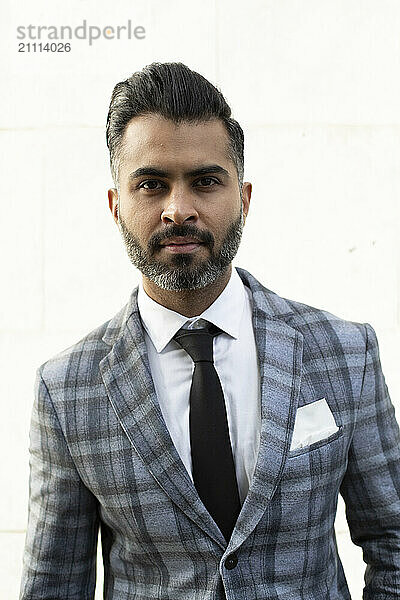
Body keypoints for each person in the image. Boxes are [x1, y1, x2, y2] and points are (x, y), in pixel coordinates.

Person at [20, 62, 400, 600]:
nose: (178, 210)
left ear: (242, 199)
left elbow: (394, 542)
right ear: (116, 205)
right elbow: (54, 586)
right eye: (151, 184)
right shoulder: (66, 390)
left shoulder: (344, 353)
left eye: (205, 181)